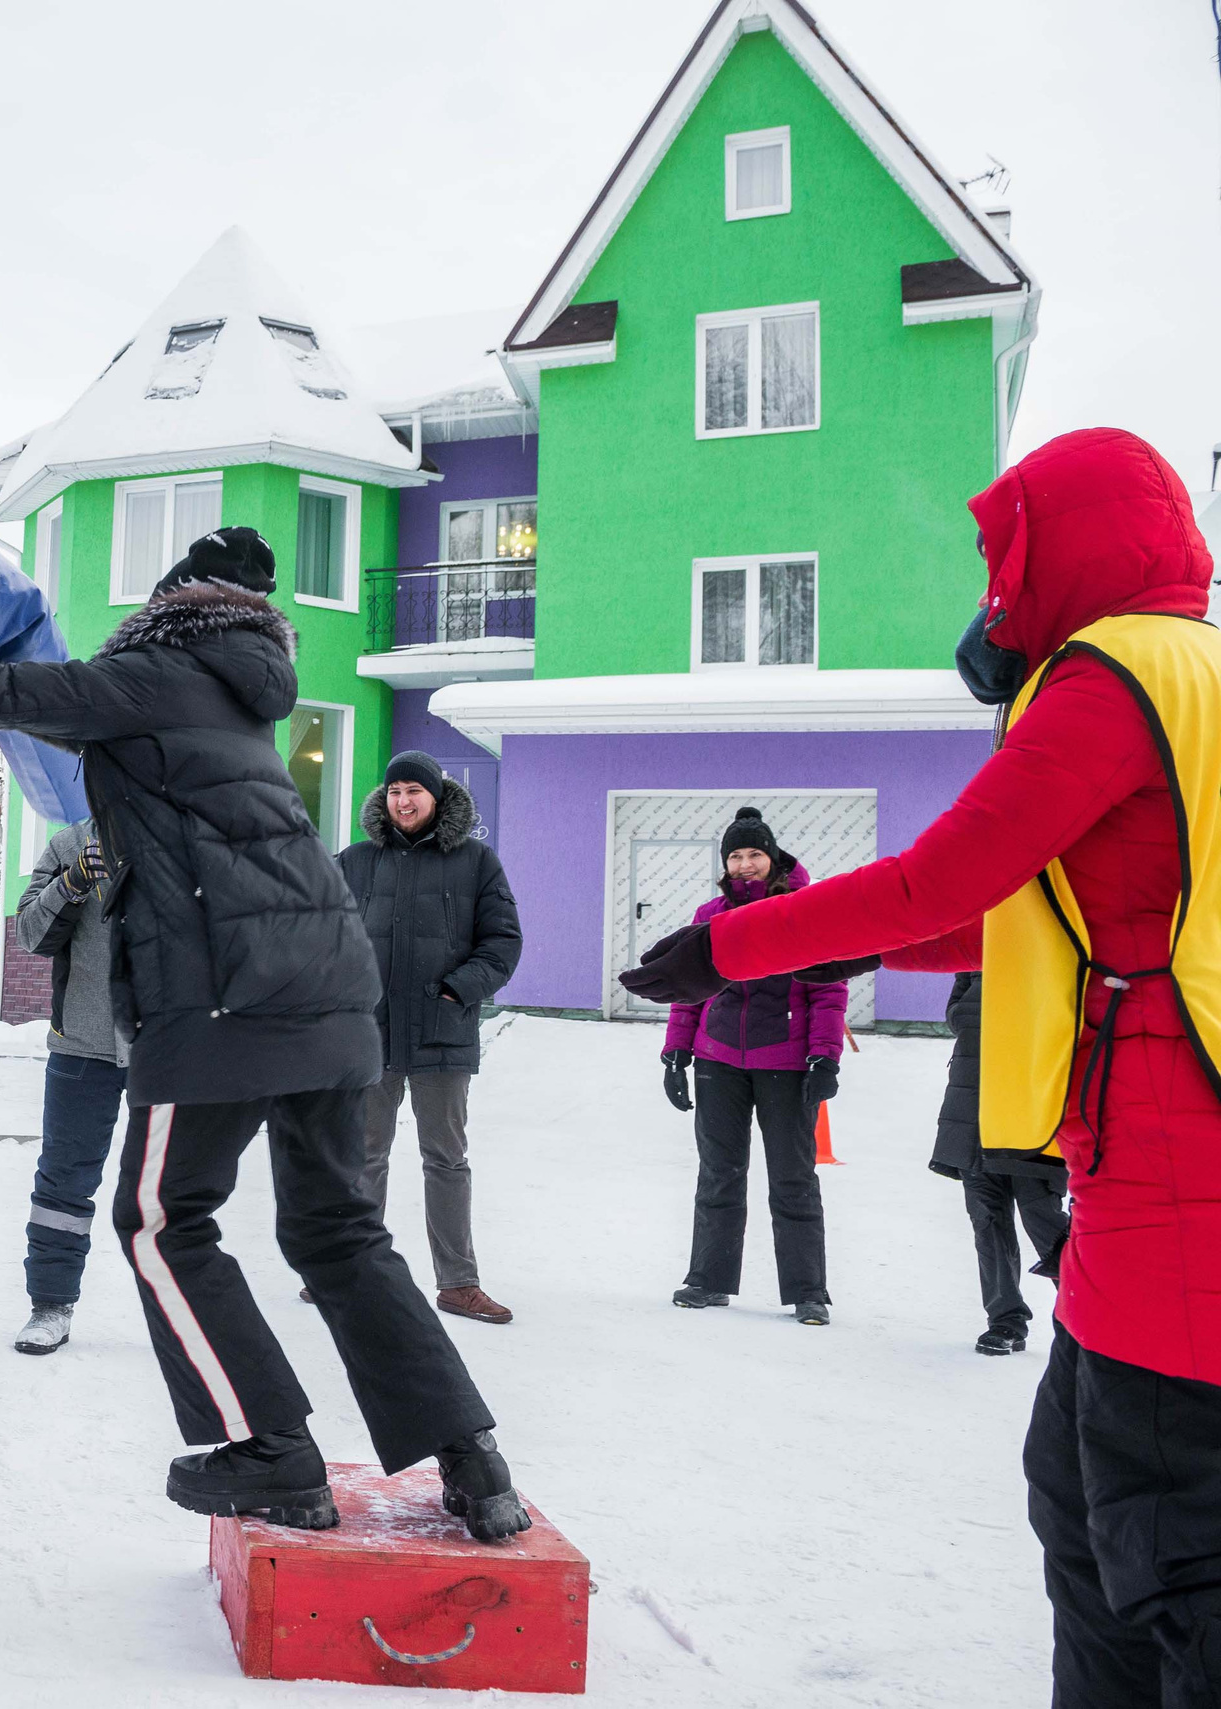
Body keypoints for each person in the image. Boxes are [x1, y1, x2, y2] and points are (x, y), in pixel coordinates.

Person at [0, 525, 530, 1543]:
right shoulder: (240, 690)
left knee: (161, 1221)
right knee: (338, 1233)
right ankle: (473, 1461)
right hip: (330, 991)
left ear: (169, 609)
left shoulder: (151, 675)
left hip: (226, 996)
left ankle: (269, 1447)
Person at [622, 428, 1221, 1704]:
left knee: (1169, 1557)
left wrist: (733, 946)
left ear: (1055, 546)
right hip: (1148, 1169)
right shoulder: (1195, 668)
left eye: (1000, 553)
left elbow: (943, 876)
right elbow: (1015, 911)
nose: (990, 590)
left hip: (1181, 1185)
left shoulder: (1110, 676)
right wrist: (807, 958)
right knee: (1078, 1514)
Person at [336, 752, 522, 1326]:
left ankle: (458, 1283)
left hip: (442, 1034)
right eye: (394, 791)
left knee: (445, 1160)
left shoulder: (475, 862)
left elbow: (503, 942)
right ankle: (348, 1274)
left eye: (414, 790)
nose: (403, 801)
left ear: (436, 798)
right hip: (370, 1035)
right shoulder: (356, 862)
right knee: (363, 1157)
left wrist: (456, 990)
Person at [656, 808, 843, 1326]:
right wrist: (676, 1051)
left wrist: (825, 1056)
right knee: (719, 1172)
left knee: (793, 1176)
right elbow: (687, 987)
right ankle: (708, 1280)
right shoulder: (710, 914)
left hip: (785, 1062)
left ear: (773, 857)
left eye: (753, 854)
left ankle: (808, 1292)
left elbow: (828, 989)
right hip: (717, 1060)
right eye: (735, 856)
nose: (744, 865)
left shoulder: (803, 910)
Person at [9, 817, 126, 1356]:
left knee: (174, 1189)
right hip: (83, 1041)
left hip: (168, 1047)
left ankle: (182, 1312)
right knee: (63, 1184)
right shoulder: (70, 844)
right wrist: (73, 880)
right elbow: (29, 933)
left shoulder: (188, 830)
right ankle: (51, 1305)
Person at [931, 973, 1067, 1356]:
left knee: (1043, 1217)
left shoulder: (1043, 952)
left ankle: (1090, 1318)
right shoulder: (976, 953)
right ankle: (1005, 1321)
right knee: (987, 1219)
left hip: (1031, 1111)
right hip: (973, 1107)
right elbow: (956, 1013)